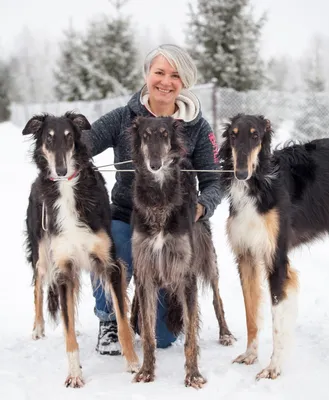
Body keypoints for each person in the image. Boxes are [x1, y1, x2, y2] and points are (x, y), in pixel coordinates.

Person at [81, 44, 223, 356]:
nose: (165, 81)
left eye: (175, 75)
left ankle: (143, 312)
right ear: (147, 75)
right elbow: (83, 145)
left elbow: (214, 180)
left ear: (184, 82)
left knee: (162, 337)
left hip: (173, 225)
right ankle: (109, 320)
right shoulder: (123, 118)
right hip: (126, 215)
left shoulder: (197, 126)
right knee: (109, 249)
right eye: (159, 72)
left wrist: (202, 207)